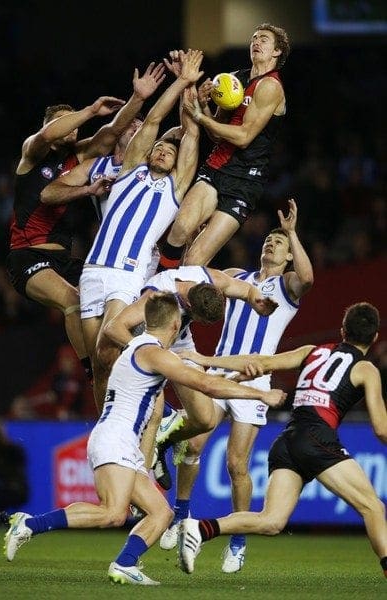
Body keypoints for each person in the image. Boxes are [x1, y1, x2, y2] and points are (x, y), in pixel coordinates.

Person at [4, 292, 286, 586]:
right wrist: (260, 393)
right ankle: (30, 524)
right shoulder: (153, 353)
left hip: (122, 441)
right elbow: (206, 384)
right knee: (113, 513)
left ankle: (125, 564)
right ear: (176, 325)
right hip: (115, 438)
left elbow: (206, 372)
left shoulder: (145, 349)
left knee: (161, 513)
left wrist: (246, 370)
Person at [177, 302, 387, 579]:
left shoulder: (311, 352)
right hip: (318, 439)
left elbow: (260, 362)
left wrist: (205, 360)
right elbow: (381, 429)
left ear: (342, 330)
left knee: (272, 521)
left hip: (287, 441)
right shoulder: (366, 369)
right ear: (374, 337)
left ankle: (199, 529)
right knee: (373, 507)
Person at [159, 198, 314, 572]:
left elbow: (307, 279)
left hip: (255, 376)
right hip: (218, 372)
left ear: (290, 255)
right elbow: (198, 277)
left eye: (279, 244)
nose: (271, 245)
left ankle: (239, 539)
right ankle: (181, 514)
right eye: (269, 240)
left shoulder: (287, 287)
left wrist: (293, 233)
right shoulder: (237, 278)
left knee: (236, 465)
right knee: (194, 442)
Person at [61, 50, 204, 412]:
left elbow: (189, 136)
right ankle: (108, 422)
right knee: (100, 364)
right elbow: (153, 119)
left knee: (111, 340)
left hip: (128, 274)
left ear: (175, 164)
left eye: (166, 153)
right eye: (155, 149)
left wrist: (186, 85)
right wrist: (174, 87)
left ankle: (153, 402)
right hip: (93, 271)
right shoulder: (127, 173)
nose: (160, 152)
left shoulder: (174, 188)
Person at [5, 62, 166, 382]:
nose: (69, 128)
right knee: (72, 301)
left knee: (110, 291)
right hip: (27, 256)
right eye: (62, 122)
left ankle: (120, 360)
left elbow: (113, 131)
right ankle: (94, 371)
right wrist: (91, 110)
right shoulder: (32, 154)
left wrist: (138, 98)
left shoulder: (78, 157)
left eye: (72, 123)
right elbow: (50, 135)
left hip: (63, 260)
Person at [158, 23, 290, 269]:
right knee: (181, 228)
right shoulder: (233, 80)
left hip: (244, 182)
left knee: (195, 260)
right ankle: (158, 285)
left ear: (277, 52)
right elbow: (218, 134)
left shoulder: (271, 86)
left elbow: (243, 137)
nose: (256, 42)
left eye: (264, 39)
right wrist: (205, 105)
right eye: (253, 38)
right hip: (216, 167)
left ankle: (175, 298)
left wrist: (200, 117)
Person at [104, 264, 278, 445]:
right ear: (188, 306)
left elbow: (248, 290)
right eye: (200, 320)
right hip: (150, 341)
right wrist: (149, 351)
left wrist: (259, 302)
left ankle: (163, 440)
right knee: (154, 415)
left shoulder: (213, 280)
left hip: (179, 342)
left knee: (206, 419)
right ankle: (147, 448)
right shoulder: (158, 295)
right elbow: (113, 328)